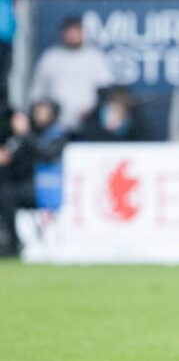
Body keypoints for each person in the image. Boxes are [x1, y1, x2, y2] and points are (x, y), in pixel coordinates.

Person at [0, 100, 68, 257]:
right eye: (38, 110)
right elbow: (15, 157)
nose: (40, 115)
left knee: (6, 196)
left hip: (47, 189)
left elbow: (47, 155)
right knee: (5, 192)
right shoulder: (29, 134)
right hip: (27, 185)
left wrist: (25, 134)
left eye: (44, 111)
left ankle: (14, 243)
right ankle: (8, 240)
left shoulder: (57, 134)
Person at [29, 16, 114, 132]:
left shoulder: (95, 57)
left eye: (77, 32)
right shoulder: (50, 57)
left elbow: (106, 89)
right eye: (70, 32)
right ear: (63, 34)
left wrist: (93, 111)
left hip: (88, 123)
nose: (73, 36)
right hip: (55, 123)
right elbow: (37, 90)